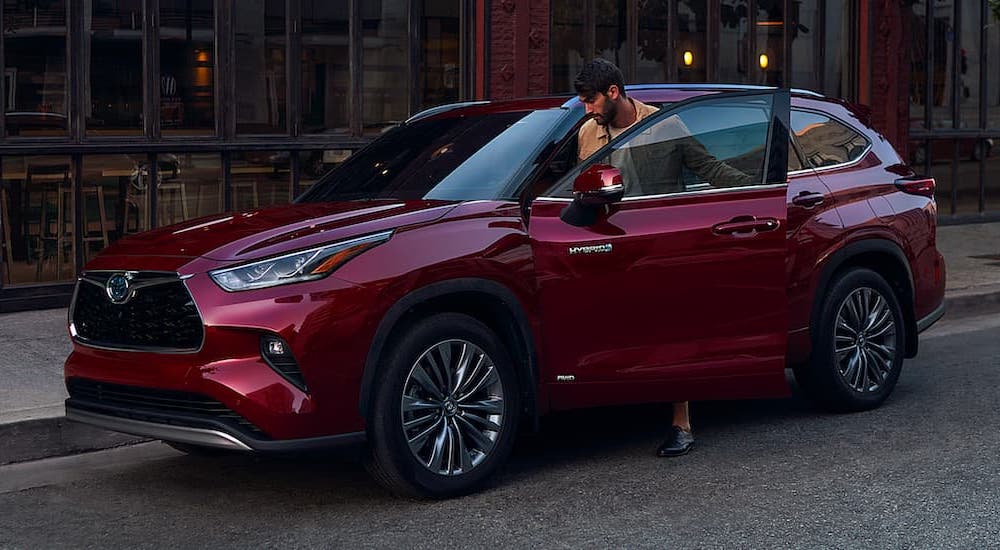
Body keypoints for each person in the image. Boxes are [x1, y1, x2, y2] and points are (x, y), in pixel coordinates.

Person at [573, 58, 748, 457]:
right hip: (610, 243)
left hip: (660, 242)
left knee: (670, 329)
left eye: (591, 100)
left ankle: (681, 423)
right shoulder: (587, 132)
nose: (586, 109)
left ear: (613, 92)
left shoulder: (664, 125)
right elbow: (580, 185)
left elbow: (710, 168)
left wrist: (763, 190)